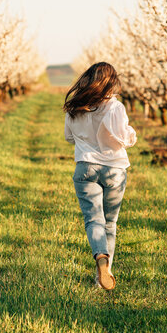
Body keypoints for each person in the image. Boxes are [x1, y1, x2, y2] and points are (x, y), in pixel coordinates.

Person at [63, 62, 137, 290]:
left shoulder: (76, 107)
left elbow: (69, 138)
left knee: (94, 220)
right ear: (111, 81)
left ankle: (100, 258)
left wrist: (87, 140)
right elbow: (125, 139)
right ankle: (102, 277)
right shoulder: (115, 107)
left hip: (85, 168)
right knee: (110, 223)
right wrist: (131, 134)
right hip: (114, 169)